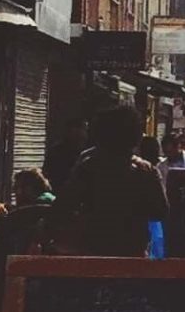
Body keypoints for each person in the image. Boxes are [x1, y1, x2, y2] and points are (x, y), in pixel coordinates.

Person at [53, 106, 168, 256]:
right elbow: (161, 211)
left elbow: (63, 206)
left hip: (93, 253)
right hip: (133, 252)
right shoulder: (146, 171)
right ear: (136, 137)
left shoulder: (88, 167)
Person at [44, 117, 90, 191]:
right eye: (82, 129)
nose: (84, 133)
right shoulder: (57, 151)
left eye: (85, 130)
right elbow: (49, 174)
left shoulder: (87, 152)